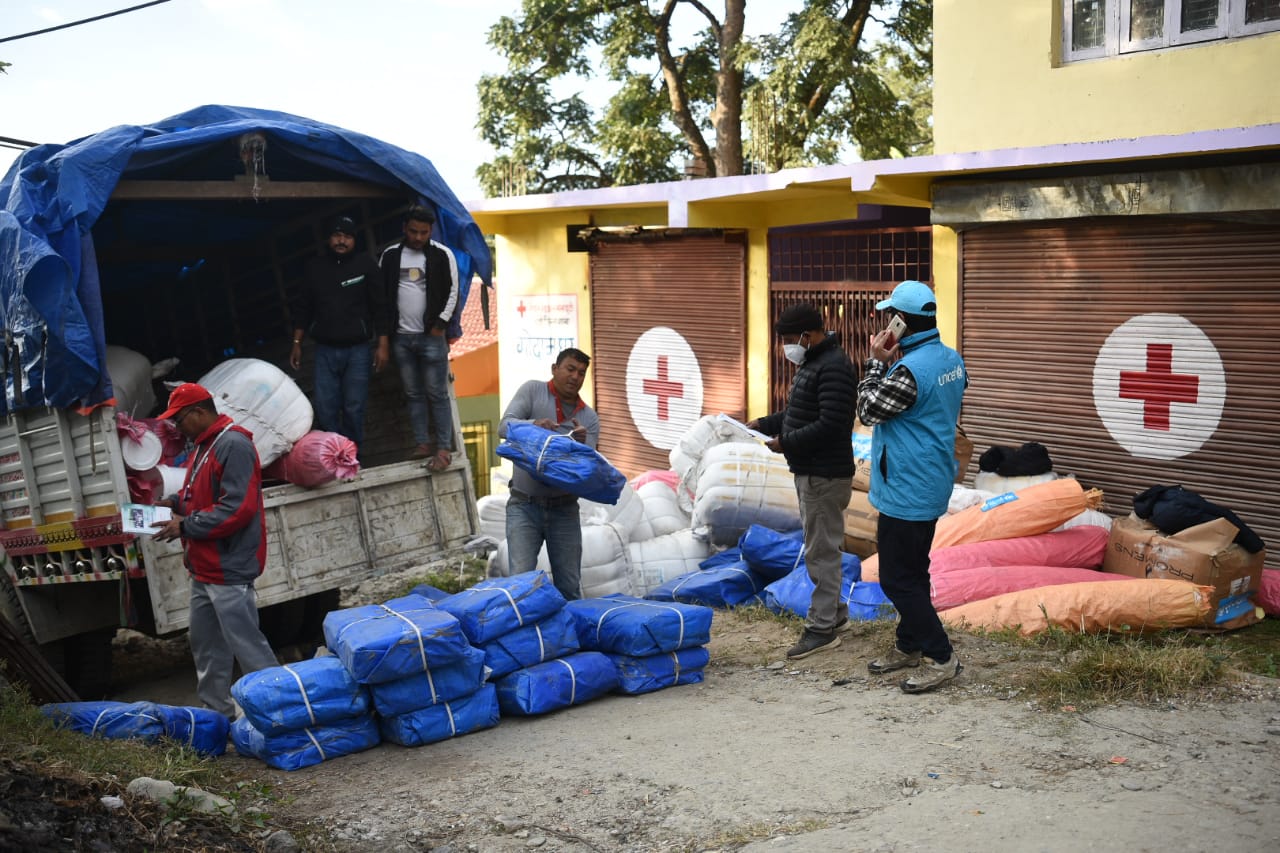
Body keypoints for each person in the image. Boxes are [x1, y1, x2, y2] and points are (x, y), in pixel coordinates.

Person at [857, 280, 968, 694]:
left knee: (896, 580)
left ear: (901, 322)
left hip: (907, 485)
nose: (887, 322)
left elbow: (868, 410)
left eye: (891, 316)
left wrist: (874, 362)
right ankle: (909, 643)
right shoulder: (950, 359)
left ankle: (940, 656)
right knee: (913, 570)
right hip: (932, 478)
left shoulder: (907, 371)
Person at [151, 382, 278, 718]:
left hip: (228, 565)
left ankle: (280, 711)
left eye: (179, 420)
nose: (176, 427)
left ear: (199, 412)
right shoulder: (204, 446)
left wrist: (184, 525)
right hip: (204, 567)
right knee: (206, 646)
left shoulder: (233, 444)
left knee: (247, 646)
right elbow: (200, 495)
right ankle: (217, 718)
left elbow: (237, 509)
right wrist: (173, 503)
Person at [748, 303, 858, 660]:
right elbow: (798, 414)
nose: (787, 348)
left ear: (808, 336)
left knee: (820, 552)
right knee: (824, 547)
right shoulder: (814, 363)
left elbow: (832, 425)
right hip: (813, 470)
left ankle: (821, 628)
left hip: (824, 474)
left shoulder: (835, 367)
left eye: (790, 341)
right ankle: (836, 617)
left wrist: (787, 443)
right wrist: (764, 425)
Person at [499, 348, 600, 601]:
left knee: (569, 588)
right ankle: (524, 639)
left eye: (581, 373)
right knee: (520, 586)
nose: (575, 376)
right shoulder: (532, 391)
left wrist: (582, 444)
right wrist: (533, 425)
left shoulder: (588, 418)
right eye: (570, 369)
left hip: (564, 510)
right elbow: (504, 426)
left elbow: (589, 471)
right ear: (554, 369)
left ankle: (569, 640)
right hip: (524, 505)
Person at [289, 215, 389, 450]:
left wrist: (383, 344)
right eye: (336, 235)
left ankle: (352, 459)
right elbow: (303, 308)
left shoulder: (366, 265)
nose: (341, 241)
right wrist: (296, 342)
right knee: (325, 407)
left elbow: (380, 307)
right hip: (325, 350)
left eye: (347, 236)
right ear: (328, 239)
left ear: (354, 240)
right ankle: (333, 460)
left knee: (354, 407)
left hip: (358, 350)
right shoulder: (315, 268)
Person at [380, 205, 460, 469]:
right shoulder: (391, 256)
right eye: (413, 231)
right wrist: (385, 336)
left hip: (431, 338)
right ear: (405, 228)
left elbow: (453, 292)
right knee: (413, 393)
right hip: (401, 338)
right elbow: (382, 297)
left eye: (423, 232)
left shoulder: (442, 255)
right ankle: (422, 443)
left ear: (431, 231)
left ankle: (444, 448)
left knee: (437, 393)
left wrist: (440, 325)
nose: (417, 237)